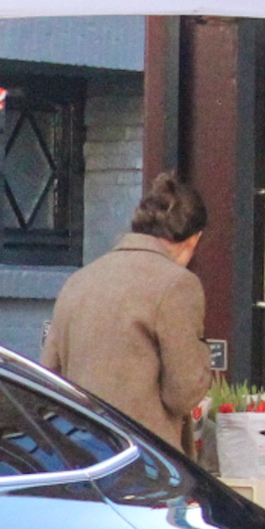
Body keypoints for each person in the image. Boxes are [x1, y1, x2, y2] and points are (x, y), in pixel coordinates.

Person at [42, 172, 213, 462]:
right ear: (194, 239)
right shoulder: (177, 284)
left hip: (77, 457)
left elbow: (48, 377)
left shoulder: (79, 281)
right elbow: (182, 393)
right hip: (143, 463)